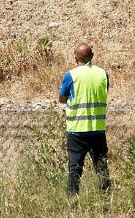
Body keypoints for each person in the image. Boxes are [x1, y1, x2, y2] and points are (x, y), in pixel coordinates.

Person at [58, 43, 111, 195]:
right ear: (92, 57)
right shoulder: (103, 74)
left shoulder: (71, 75)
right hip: (97, 128)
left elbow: (62, 98)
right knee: (101, 165)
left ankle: (73, 200)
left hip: (77, 130)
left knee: (75, 167)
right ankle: (106, 198)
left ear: (75, 58)